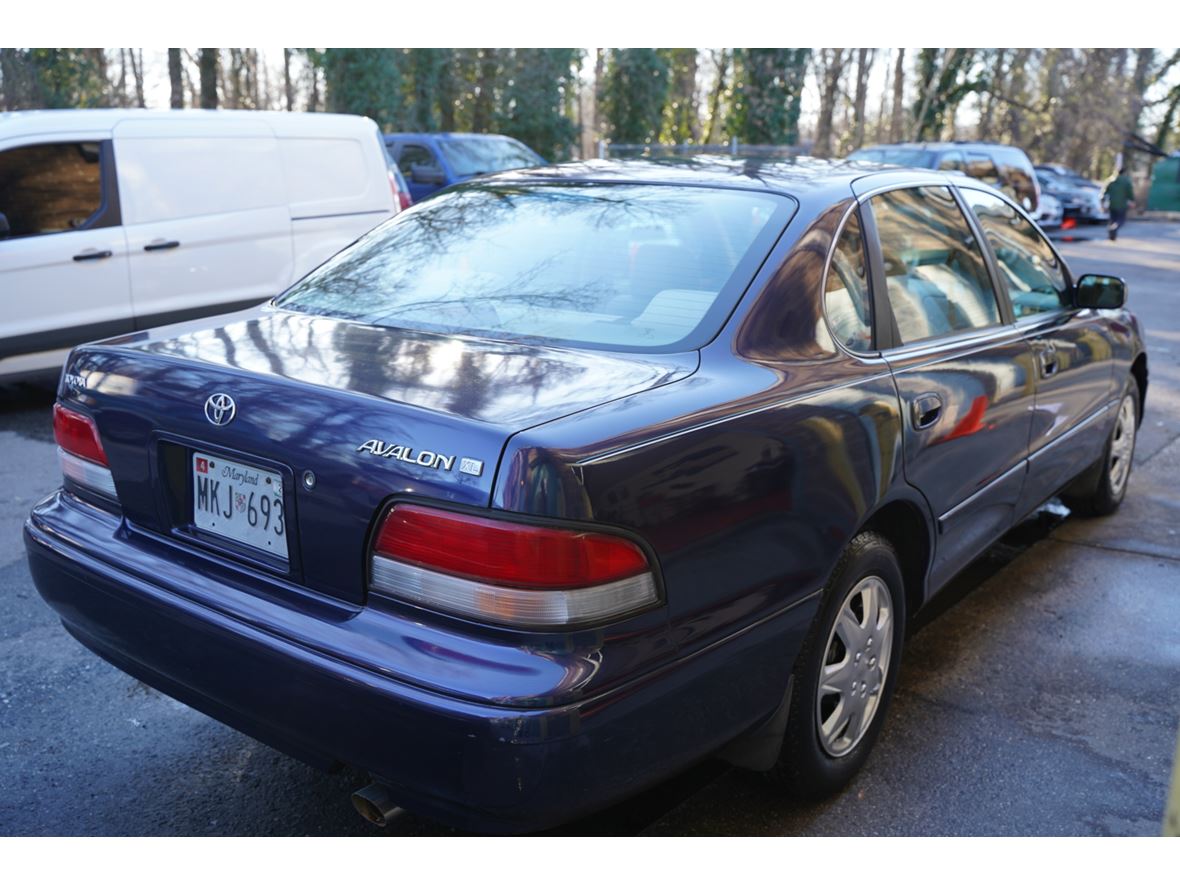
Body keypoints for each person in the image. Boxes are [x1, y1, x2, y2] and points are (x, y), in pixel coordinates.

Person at [1104, 167, 1135, 241]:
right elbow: (1130, 193)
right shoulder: (1126, 181)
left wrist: (1103, 203)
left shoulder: (1110, 180)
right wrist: (1132, 200)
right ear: (1124, 173)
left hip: (1111, 204)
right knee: (1120, 220)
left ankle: (1112, 236)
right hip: (1121, 204)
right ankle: (1113, 229)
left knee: (1112, 220)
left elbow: (1104, 193)